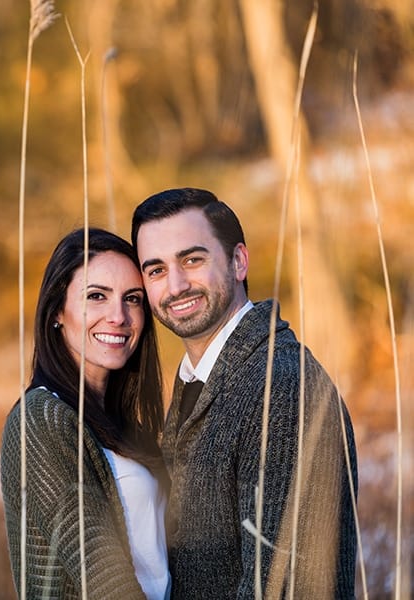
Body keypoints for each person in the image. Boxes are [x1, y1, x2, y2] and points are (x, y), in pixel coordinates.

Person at [130, 187, 358, 599]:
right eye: (156, 270)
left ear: (238, 261)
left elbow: (286, 587)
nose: (176, 285)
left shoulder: (282, 386)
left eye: (192, 259)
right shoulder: (198, 382)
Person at [0, 228, 170, 599]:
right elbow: (104, 580)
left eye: (133, 299)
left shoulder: (121, 425)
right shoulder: (39, 422)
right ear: (57, 311)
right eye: (96, 296)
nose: (119, 316)